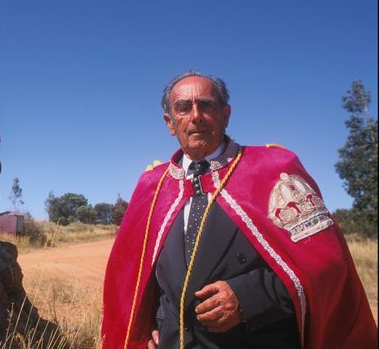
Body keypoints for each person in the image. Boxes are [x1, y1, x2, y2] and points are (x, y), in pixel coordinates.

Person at [101, 71, 377, 349]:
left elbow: (328, 263)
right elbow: (133, 281)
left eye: (206, 105)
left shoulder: (274, 169)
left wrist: (248, 298)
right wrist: (147, 324)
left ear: (226, 114)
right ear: (170, 123)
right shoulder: (153, 185)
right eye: (183, 108)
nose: (195, 115)